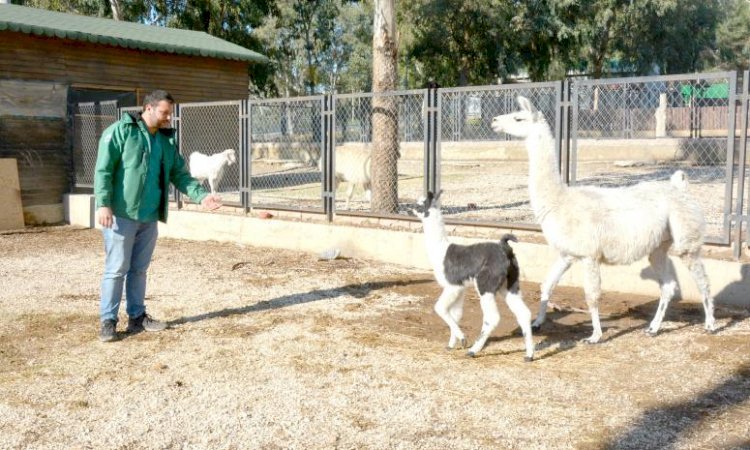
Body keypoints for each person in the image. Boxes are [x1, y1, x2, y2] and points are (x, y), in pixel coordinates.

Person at [94, 90, 222, 342]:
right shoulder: (121, 131)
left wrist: (201, 196)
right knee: (116, 268)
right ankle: (108, 321)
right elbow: (103, 170)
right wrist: (103, 204)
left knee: (139, 269)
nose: (168, 118)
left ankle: (137, 317)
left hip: (149, 216)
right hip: (121, 214)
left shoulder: (165, 141)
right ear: (149, 108)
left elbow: (180, 174)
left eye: (170, 113)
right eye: (165, 113)